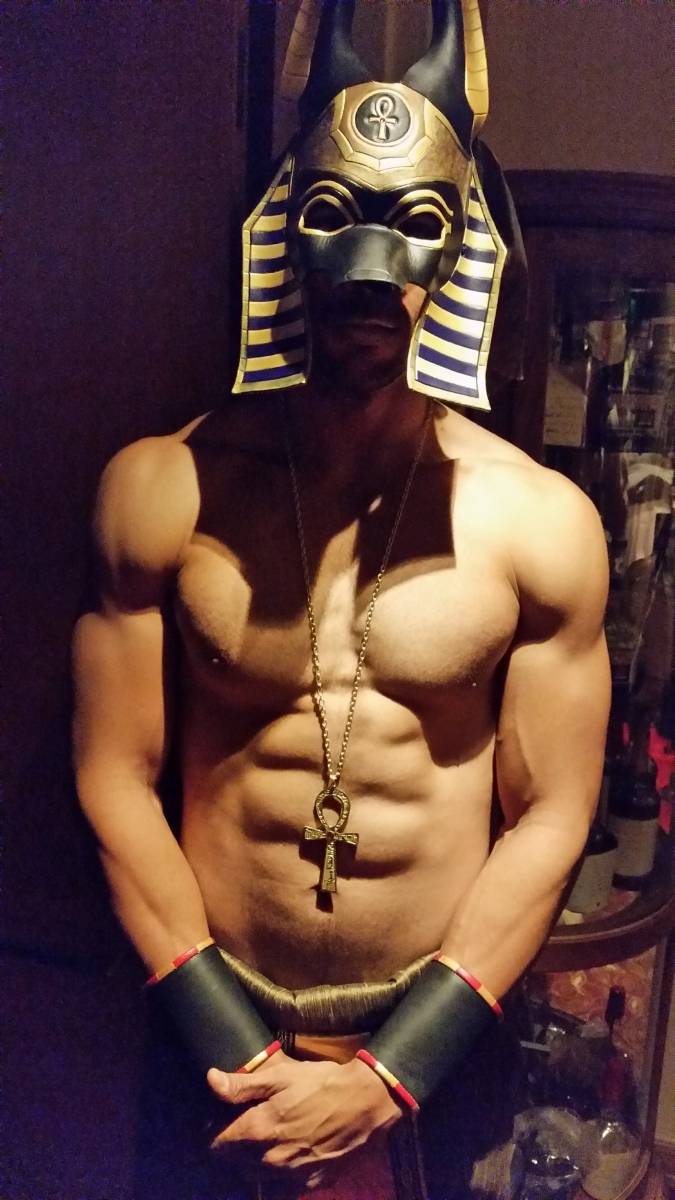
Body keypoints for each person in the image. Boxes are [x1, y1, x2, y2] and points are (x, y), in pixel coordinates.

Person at [72, 3, 610, 1198]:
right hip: (213, 1037)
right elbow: (114, 776)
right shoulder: (161, 489)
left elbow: (553, 814)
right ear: (283, 230)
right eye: (332, 214)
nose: (372, 275)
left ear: (462, 251)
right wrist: (242, 1059)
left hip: (432, 1048)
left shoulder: (540, 525)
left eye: (415, 224)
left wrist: (390, 1077)